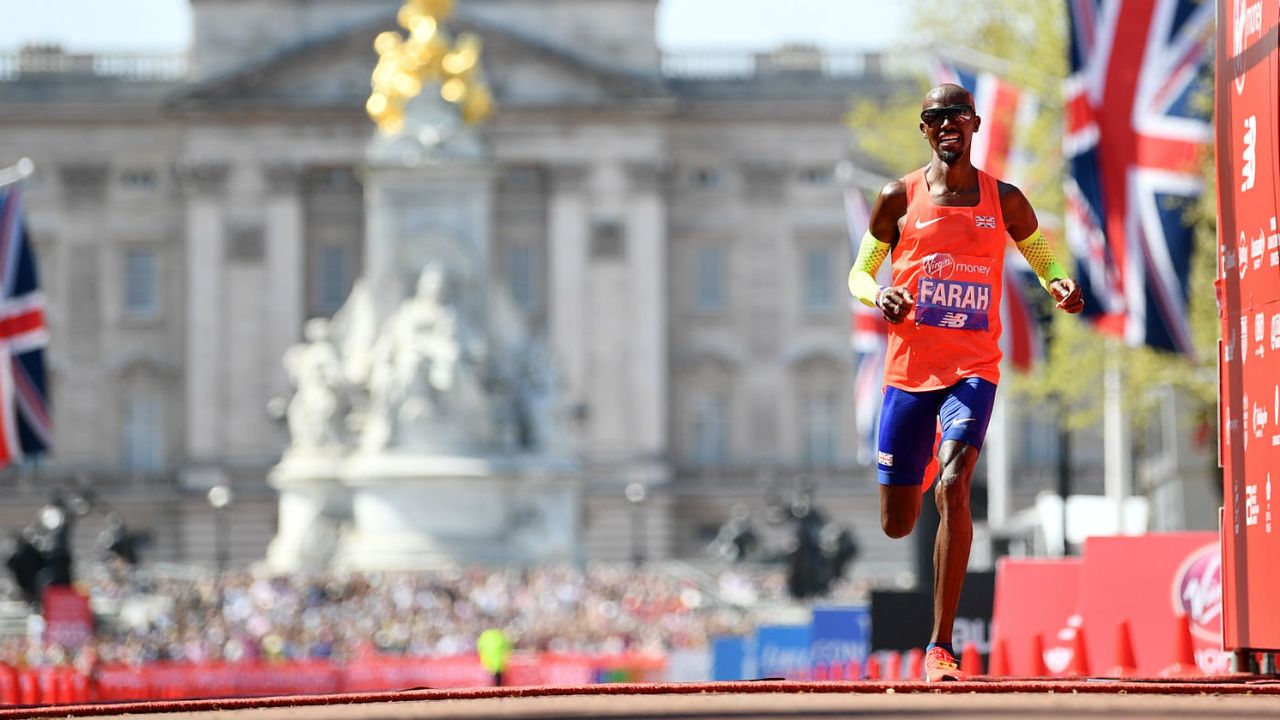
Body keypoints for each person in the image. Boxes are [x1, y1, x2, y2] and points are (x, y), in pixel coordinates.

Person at [847, 83, 1084, 681]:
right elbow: (860, 271)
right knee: (898, 521)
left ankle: (940, 648)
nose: (948, 123)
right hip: (909, 372)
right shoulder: (896, 197)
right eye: (935, 116)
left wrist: (1057, 283)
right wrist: (882, 295)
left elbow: (1042, 254)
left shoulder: (1003, 200)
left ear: (975, 124)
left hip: (972, 368)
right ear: (924, 129)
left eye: (958, 114)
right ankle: (919, 464)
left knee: (956, 487)